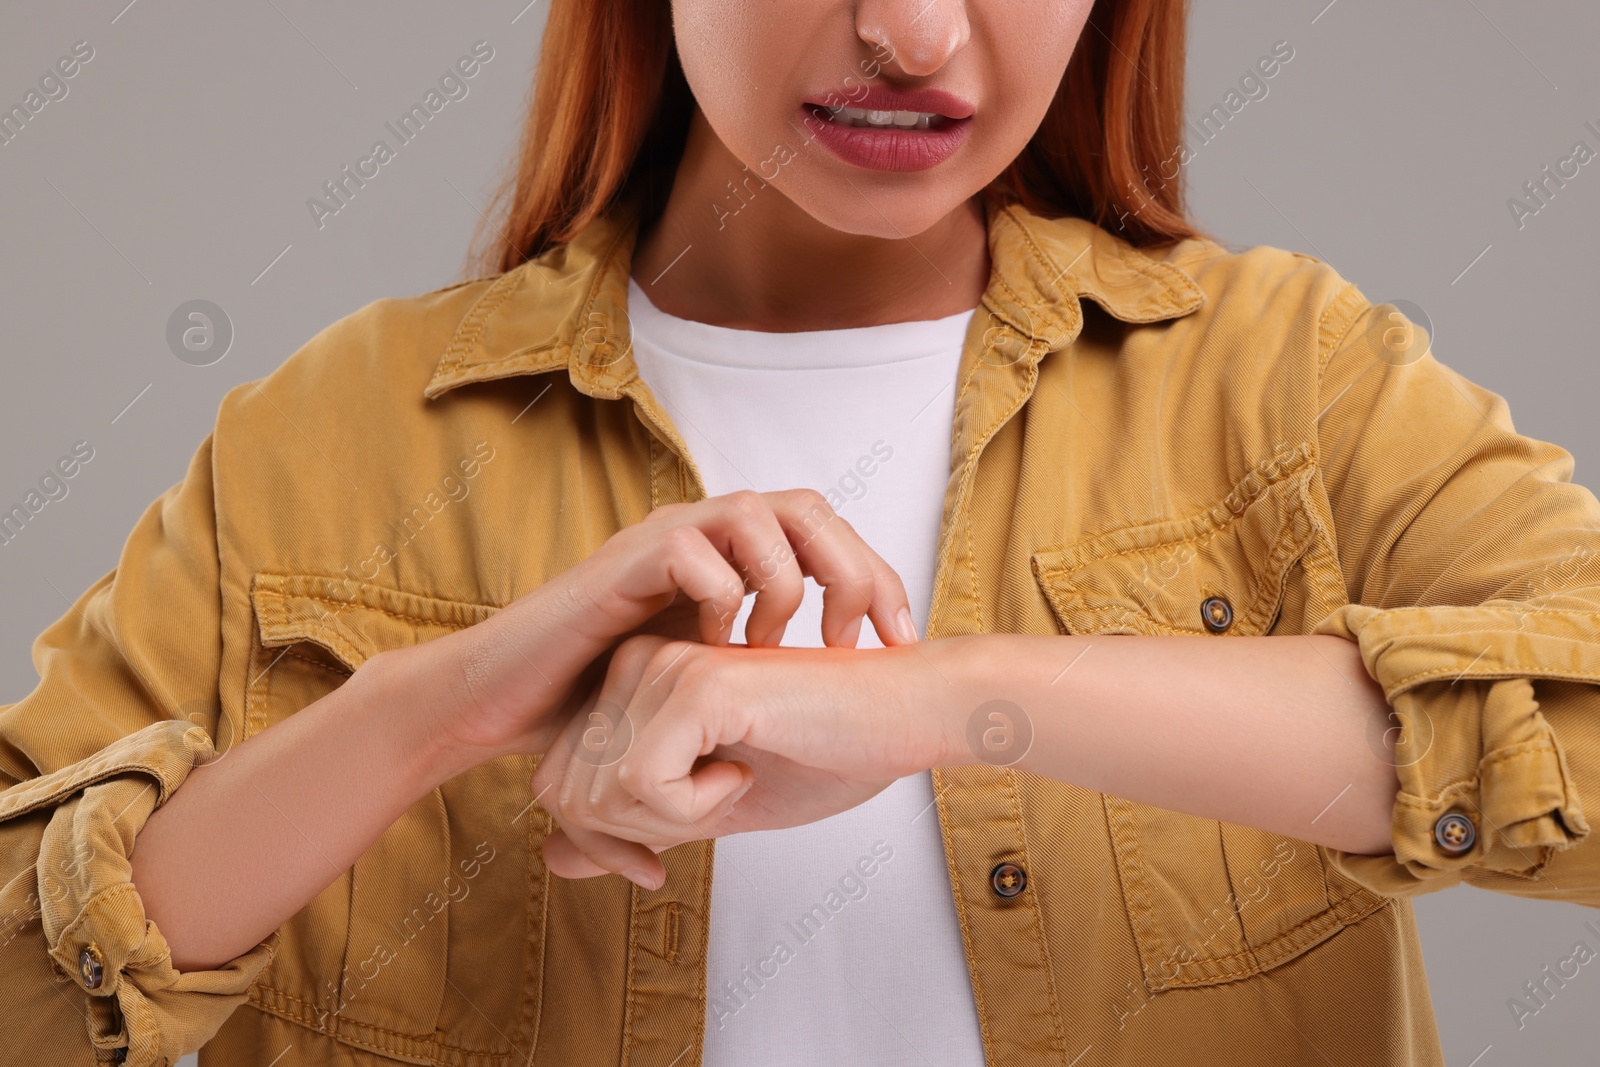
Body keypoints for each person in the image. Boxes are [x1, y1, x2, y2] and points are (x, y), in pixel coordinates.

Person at [5, 0, 1600, 1064]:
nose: (914, 31)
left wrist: (934, 700)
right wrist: (435, 704)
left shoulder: (1287, 383)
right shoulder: (339, 433)